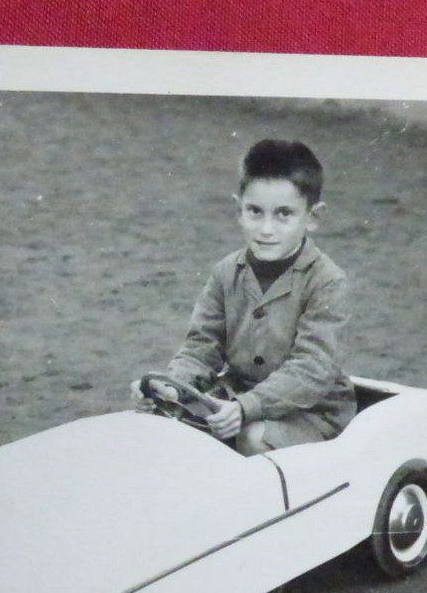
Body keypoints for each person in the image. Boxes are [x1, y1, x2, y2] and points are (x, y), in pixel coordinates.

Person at [136, 139, 356, 457]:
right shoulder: (226, 272)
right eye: (255, 212)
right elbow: (201, 347)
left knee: (253, 438)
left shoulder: (326, 281)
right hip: (237, 400)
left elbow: (313, 369)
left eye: (284, 215)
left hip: (310, 413)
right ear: (238, 210)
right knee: (167, 421)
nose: (266, 229)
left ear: (313, 217)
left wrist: (247, 407)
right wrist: (173, 385)